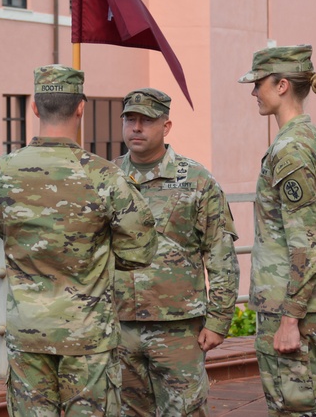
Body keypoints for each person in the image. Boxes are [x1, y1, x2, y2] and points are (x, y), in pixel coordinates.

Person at [0, 65, 158, 417]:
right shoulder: (104, 175)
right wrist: (94, 254)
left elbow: (0, 224)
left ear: (33, 107)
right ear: (81, 108)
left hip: (28, 334)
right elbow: (142, 249)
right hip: (87, 336)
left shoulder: (0, 171)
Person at [237, 45, 316, 417]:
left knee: (295, 409)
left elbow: (304, 243)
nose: (254, 92)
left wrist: (290, 319)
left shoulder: (290, 150)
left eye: (259, 84)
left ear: (282, 85)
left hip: (295, 306)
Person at [114, 88, 240, 417]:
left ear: (166, 126)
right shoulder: (106, 178)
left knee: (185, 412)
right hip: (118, 327)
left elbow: (221, 253)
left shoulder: (197, 180)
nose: (137, 127)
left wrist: (219, 320)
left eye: (146, 120)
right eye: (130, 119)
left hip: (179, 330)